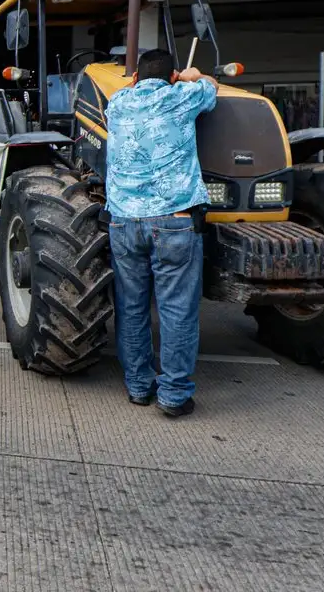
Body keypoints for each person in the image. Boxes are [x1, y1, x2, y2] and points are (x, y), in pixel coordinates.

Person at [105, 50, 217, 418]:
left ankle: (139, 386)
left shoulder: (118, 102)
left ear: (135, 78)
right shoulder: (183, 96)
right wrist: (190, 75)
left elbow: (131, 87)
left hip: (123, 221)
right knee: (177, 310)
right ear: (171, 77)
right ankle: (173, 395)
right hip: (174, 220)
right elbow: (211, 86)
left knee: (131, 307)